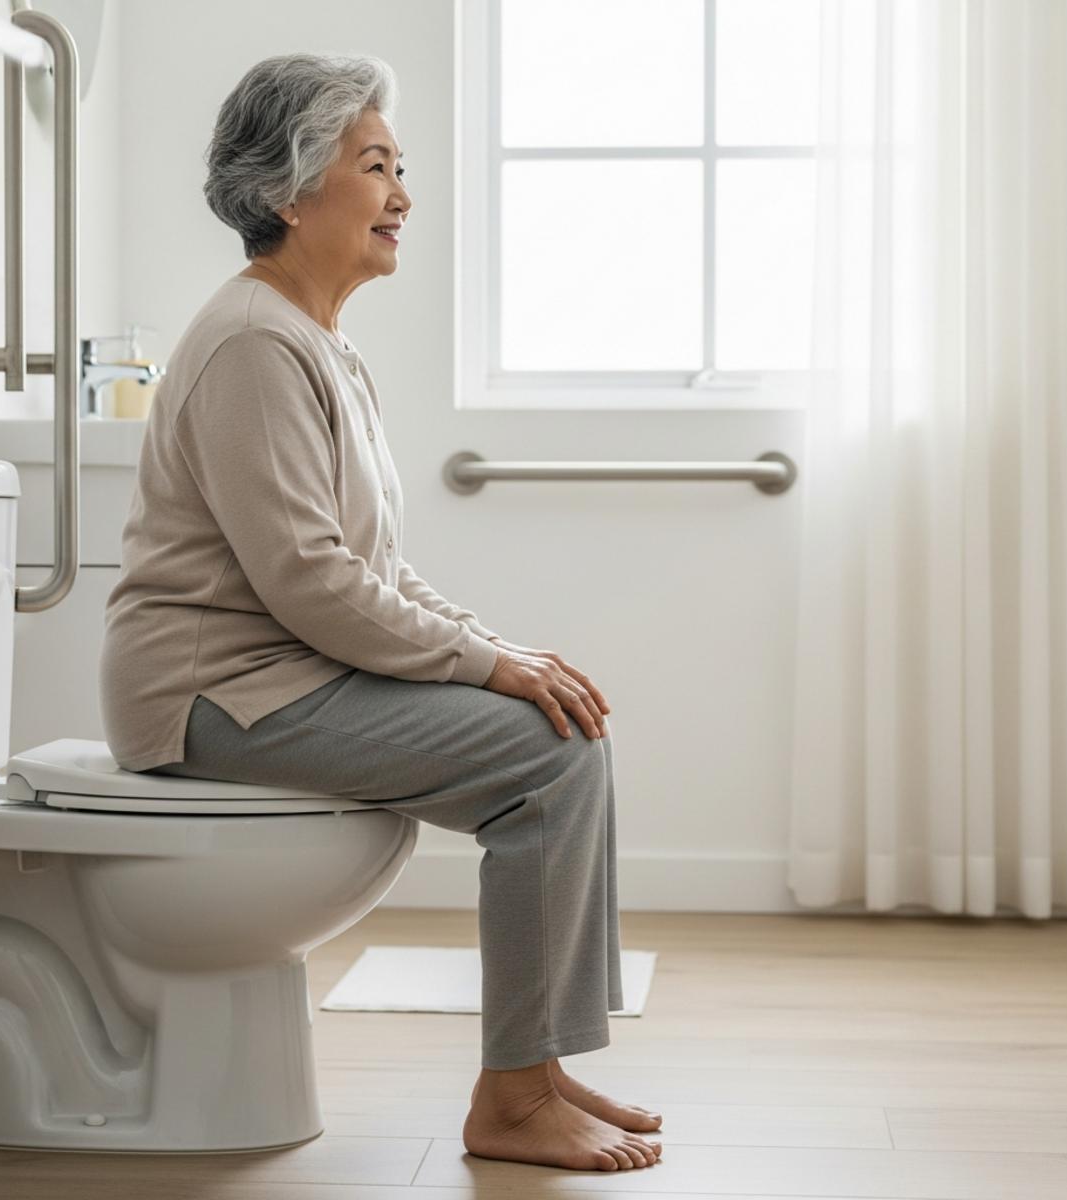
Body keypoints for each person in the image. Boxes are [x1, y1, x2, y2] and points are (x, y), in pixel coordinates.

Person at [97, 52, 662, 1173]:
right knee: (542, 761)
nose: (403, 194)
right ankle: (511, 1098)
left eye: (400, 167)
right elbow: (311, 580)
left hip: (278, 677)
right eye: (375, 166)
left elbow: (376, 568)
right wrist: (485, 669)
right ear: (288, 191)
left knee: (557, 727)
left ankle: (536, 1068)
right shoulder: (255, 343)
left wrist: (497, 650)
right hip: (215, 698)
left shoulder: (315, 343)